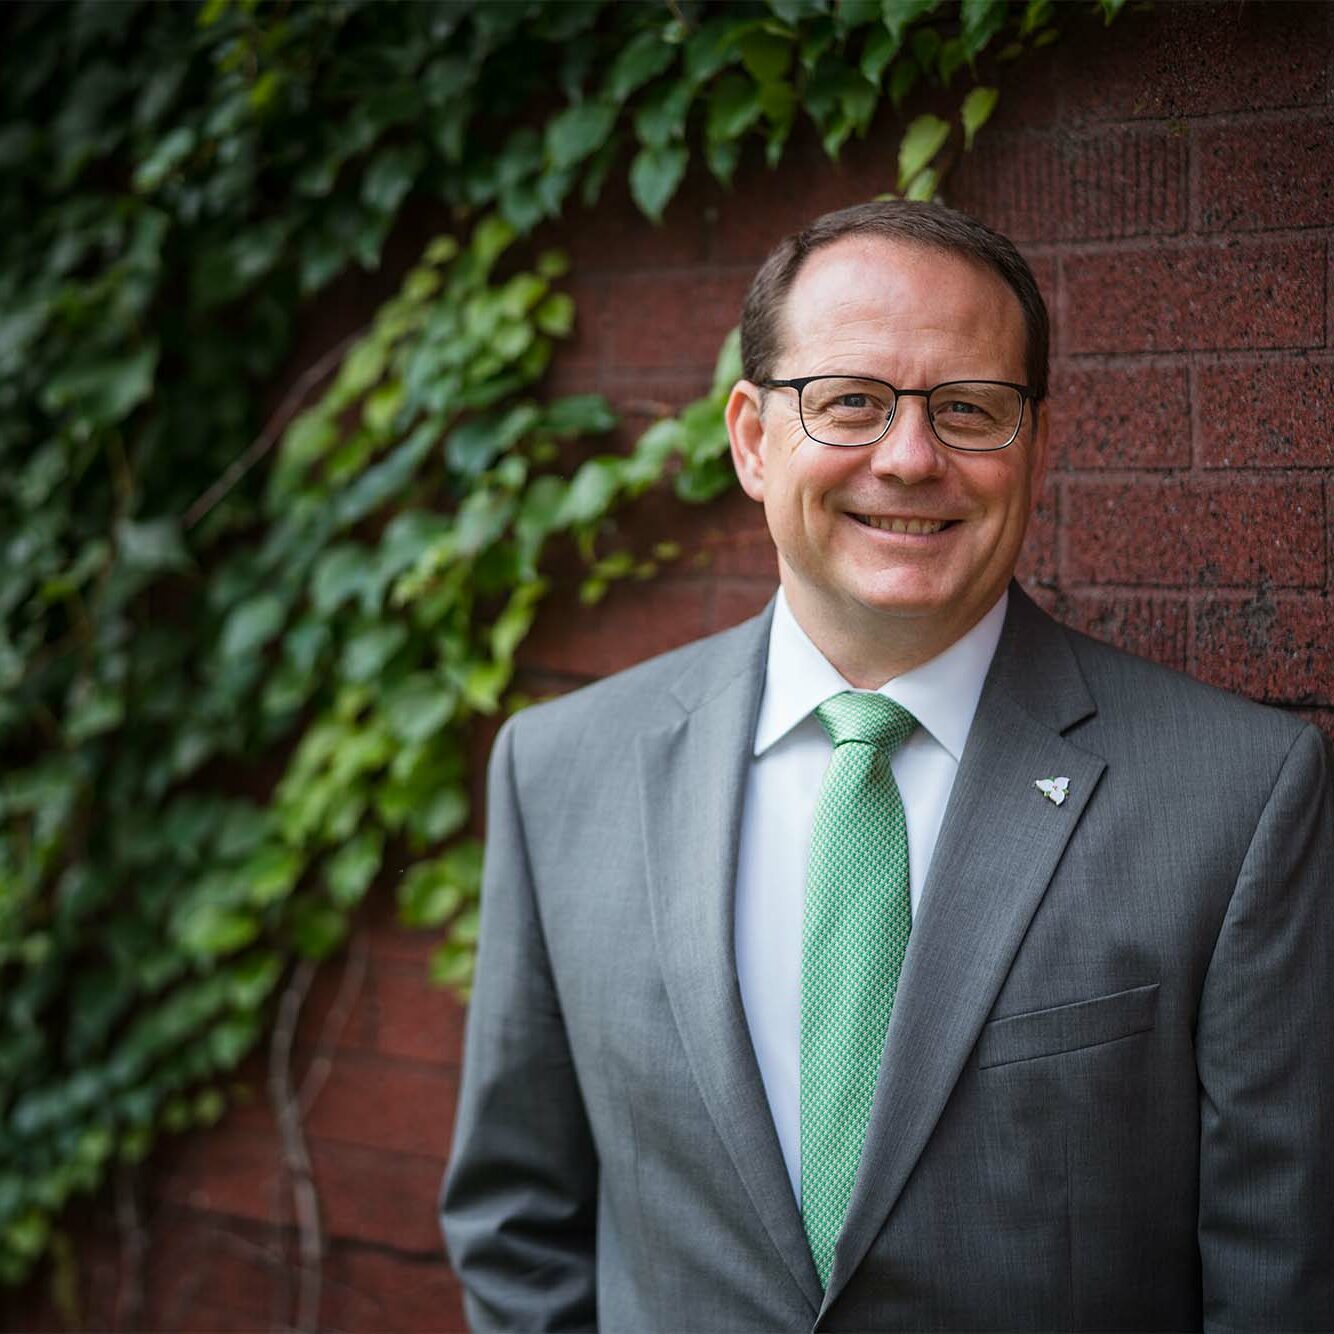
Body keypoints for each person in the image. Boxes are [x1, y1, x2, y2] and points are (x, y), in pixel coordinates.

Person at [439, 200, 1334, 1332]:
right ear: (752, 438)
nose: (909, 458)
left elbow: (1279, 1279)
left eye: (968, 408)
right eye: (850, 401)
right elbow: (519, 1224)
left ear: (1034, 448)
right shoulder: (559, 769)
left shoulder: (1235, 795)